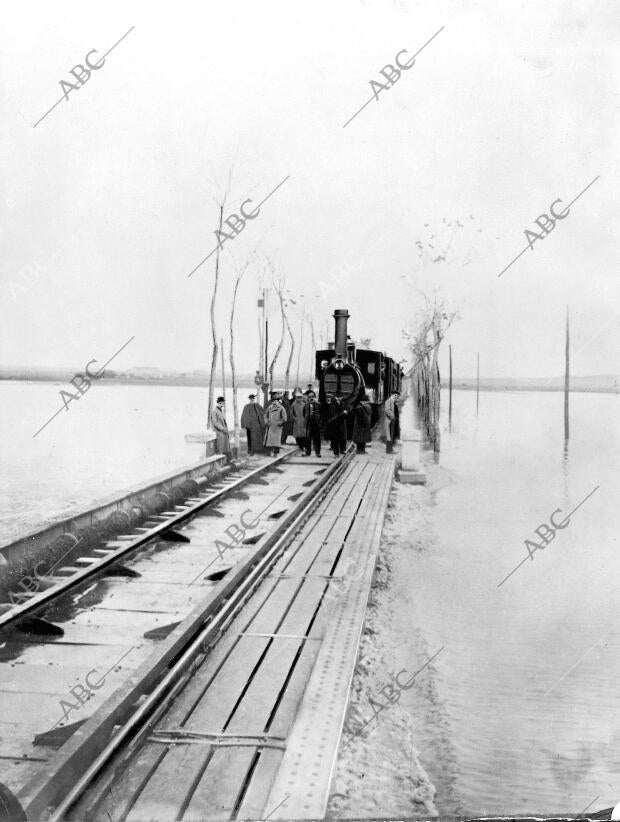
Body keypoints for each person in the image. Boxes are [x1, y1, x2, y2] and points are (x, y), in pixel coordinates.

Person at [291, 387, 309, 452]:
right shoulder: (293, 404)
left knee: (304, 434)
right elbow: (291, 413)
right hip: (297, 421)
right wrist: (294, 418)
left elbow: (307, 412)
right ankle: (301, 446)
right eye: (297, 397)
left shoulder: (304, 404)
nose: (299, 398)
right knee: (297, 435)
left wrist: (306, 419)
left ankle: (304, 446)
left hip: (303, 420)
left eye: (300, 397)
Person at [305, 391, 322, 457]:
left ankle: (318, 452)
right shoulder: (306, 405)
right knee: (308, 438)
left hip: (316, 423)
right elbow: (304, 413)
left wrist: (317, 402)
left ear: (315, 397)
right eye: (310, 397)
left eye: (313, 397)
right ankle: (308, 452)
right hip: (309, 422)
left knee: (317, 438)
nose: (311, 398)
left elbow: (322, 410)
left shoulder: (318, 404)